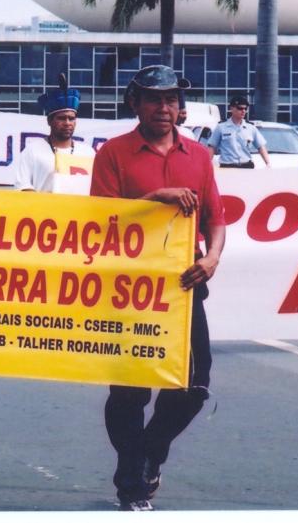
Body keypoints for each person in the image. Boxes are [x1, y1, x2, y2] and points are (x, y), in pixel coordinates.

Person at [90, 64, 226, 512]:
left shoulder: (200, 156)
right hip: (130, 289)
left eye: (170, 99)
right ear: (136, 104)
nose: (164, 108)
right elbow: (102, 220)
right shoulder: (114, 153)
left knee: (194, 385)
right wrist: (157, 197)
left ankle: (150, 451)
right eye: (154, 99)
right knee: (130, 392)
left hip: (185, 287)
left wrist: (211, 259)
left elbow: (215, 220)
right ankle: (131, 480)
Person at [13, 81, 95, 193]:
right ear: (49, 121)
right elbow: (22, 186)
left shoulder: (88, 152)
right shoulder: (32, 151)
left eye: (71, 118)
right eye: (61, 118)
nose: (67, 123)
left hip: (80, 210)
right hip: (44, 209)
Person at [208, 94, 271, 169]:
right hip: (228, 167)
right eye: (240, 108)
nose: (243, 111)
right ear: (232, 108)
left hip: (246, 166)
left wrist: (268, 163)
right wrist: (207, 165)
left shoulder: (251, 128)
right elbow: (212, 147)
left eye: (245, 108)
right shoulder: (221, 127)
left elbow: (261, 146)